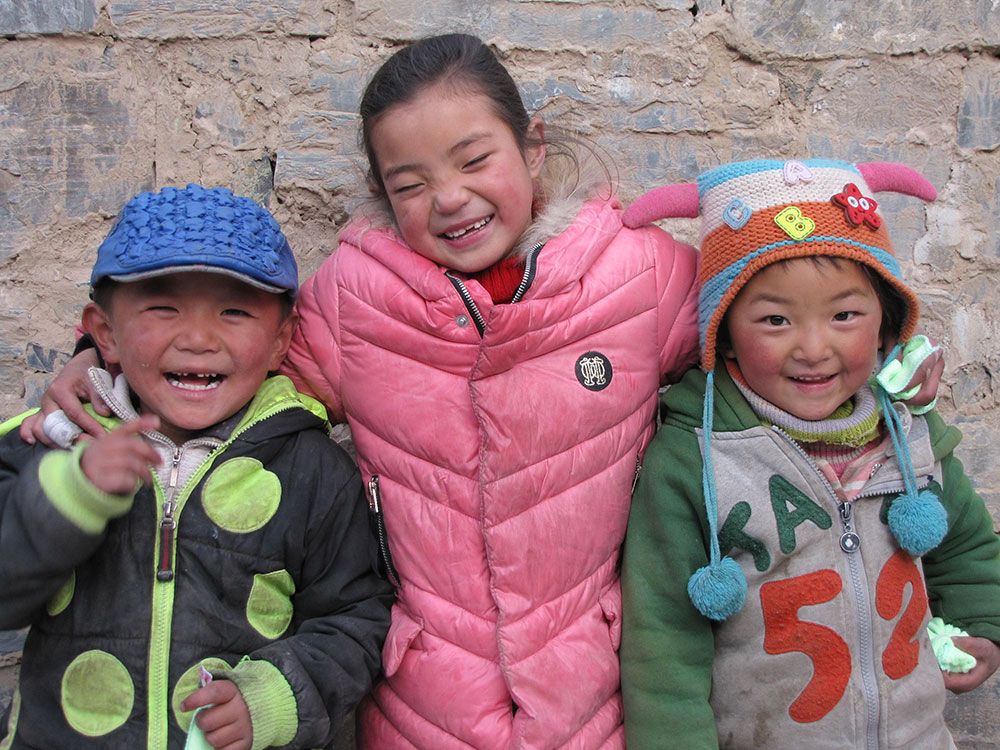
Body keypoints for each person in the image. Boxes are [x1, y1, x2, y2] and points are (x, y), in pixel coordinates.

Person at [15, 42, 943, 749]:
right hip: (419, 698)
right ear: (381, 194)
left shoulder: (640, 278)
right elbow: (221, 373)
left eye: (473, 159)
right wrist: (89, 366)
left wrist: (902, 363)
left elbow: (778, 326)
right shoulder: (349, 300)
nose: (449, 200)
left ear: (532, 148)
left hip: (600, 689)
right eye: (409, 183)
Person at [619, 158, 1000, 749]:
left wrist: (983, 626)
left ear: (886, 324)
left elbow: (967, 547)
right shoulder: (694, 462)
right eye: (775, 320)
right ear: (722, 330)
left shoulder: (911, 436)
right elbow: (663, 642)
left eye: (845, 315)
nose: (814, 348)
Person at [0, 184, 394, 749]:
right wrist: (73, 493)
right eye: (163, 308)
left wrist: (272, 697)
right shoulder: (51, 445)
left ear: (282, 339)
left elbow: (358, 618)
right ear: (105, 332)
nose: (198, 339)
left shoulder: (312, 472)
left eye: (234, 312)